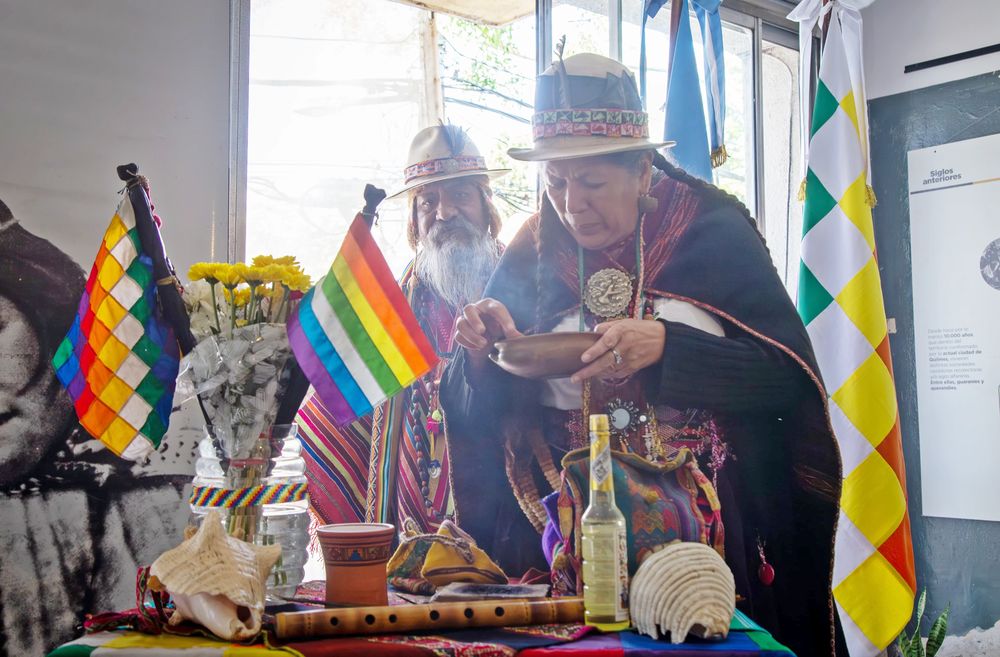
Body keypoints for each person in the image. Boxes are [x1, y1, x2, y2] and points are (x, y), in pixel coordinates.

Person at [439, 54, 843, 657]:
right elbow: (479, 412)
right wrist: (478, 351)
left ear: (642, 171)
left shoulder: (715, 229)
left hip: (711, 544)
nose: (571, 206)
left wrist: (670, 349)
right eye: (555, 184)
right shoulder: (534, 244)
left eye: (592, 184)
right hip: (562, 537)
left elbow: (789, 380)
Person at [297, 124, 508, 534]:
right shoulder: (390, 305)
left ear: (486, 204)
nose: (444, 212)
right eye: (428, 201)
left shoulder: (522, 284)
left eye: (460, 195)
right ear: (414, 218)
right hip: (407, 499)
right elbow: (334, 407)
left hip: (501, 498)